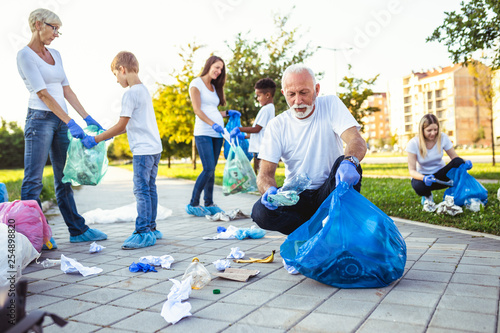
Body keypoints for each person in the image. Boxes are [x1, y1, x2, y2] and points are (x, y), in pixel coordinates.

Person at [16, 8, 107, 248]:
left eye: (58, 30)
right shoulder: (25, 55)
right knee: (33, 180)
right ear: (38, 24)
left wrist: (87, 118)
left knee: (65, 177)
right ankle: (28, 238)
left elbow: (66, 90)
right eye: (53, 28)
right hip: (40, 120)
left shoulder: (55, 53)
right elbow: (44, 94)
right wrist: (70, 121)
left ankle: (77, 230)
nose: (57, 34)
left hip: (61, 120)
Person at [250, 64, 367, 235]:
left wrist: (350, 162)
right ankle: (308, 233)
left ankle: (331, 229)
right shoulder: (277, 125)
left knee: (347, 161)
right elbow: (265, 174)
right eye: (291, 94)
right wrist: (269, 191)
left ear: (316, 89)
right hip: (296, 197)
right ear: (284, 94)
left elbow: (356, 140)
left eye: (304, 93)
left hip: (329, 191)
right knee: (260, 213)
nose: (298, 101)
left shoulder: (330, 104)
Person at [82, 51, 163, 250]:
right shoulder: (144, 90)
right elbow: (127, 125)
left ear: (122, 69)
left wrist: (96, 139)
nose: (117, 81)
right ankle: (151, 228)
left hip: (143, 151)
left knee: (141, 190)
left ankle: (142, 231)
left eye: (116, 76)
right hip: (155, 148)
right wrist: (105, 132)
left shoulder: (129, 93)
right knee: (150, 188)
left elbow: (120, 126)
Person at [185, 55, 240, 217]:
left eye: (221, 69)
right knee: (208, 168)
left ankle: (208, 203)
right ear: (209, 65)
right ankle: (193, 203)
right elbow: (197, 110)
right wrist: (212, 124)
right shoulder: (196, 83)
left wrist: (227, 113)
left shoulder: (214, 87)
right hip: (204, 132)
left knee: (212, 169)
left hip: (218, 133)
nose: (219, 71)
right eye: (216, 67)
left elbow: (213, 110)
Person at [406, 113, 472, 206]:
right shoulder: (413, 143)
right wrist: (423, 178)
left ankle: (457, 194)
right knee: (418, 186)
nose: (433, 133)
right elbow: (412, 171)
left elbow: (455, 157)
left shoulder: (443, 137)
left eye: (435, 130)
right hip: (425, 178)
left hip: (441, 175)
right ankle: (427, 195)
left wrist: (465, 162)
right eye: (429, 130)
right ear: (422, 130)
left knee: (459, 162)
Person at [230, 78, 276, 173]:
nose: (258, 99)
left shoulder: (266, 109)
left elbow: (257, 129)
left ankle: (263, 188)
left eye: (259, 96)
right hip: (262, 148)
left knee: (261, 175)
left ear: (267, 95)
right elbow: (262, 132)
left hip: (260, 149)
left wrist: (239, 129)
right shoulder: (270, 108)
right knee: (261, 174)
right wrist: (245, 137)